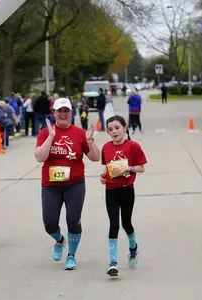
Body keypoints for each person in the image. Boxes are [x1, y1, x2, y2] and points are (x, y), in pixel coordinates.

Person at [34, 98, 100, 270]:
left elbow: (95, 157)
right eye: (59, 111)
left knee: (73, 219)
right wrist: (51, 137)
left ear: (71, 113)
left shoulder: (79, 133)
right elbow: (40, 157)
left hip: (74, 184)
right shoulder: (45, 132)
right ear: (54, 113)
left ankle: (71, 255)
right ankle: (60, 240)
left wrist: (90, 141)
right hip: (51, 186)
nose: (63, 114)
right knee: (49, 222)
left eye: (66, 111)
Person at [99, 115, 147, 277]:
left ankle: (133, 249)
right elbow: (107, 168)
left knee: (126, 223)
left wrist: (128, 168)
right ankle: (113, 262)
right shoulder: (106, 148)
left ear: (125, 128)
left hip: (127, 190)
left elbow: (141, 168)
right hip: (111, 190)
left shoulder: (133, 146)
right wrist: (103, 176)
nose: (114, 131)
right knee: (114, 224)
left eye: (117, 128)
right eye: (110, 129)